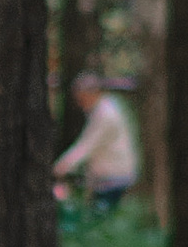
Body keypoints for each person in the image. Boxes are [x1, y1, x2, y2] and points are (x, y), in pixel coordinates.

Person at [53, 72, 139, 214]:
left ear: (92, 93)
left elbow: (87, 145)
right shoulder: (107, 107)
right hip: (110, 177)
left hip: (113, 178)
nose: (80, 103)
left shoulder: (105, 114)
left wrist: (62, 166)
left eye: (81, 98)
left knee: (101, 219)